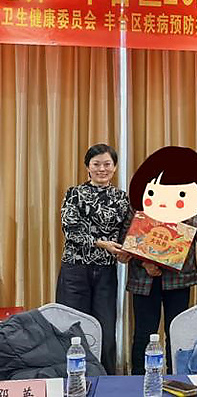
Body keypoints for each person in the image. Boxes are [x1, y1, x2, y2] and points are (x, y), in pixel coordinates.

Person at [125, 146, 197, 375]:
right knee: (144, 333)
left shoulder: (193, 207)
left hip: (178, 279)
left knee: (176, 331)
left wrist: (183, 214)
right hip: (144, 279)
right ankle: (139, 380)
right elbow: (126, 238)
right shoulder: (141, 206)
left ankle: (177, 378)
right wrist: (145, 263)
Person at [56, 143, 130, 375]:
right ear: (87, 167)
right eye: (96, 164)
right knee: (73, 328)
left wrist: (126, 252)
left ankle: (106, 379)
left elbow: (127, 234)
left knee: (105, 329)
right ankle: (71, 378)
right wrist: (102, 243)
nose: (102, 169)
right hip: (75, 270)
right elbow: (71, 229)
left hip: (106, 271)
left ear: (115, 167)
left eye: (107, 164)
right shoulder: (74, 193)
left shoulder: (121, 198)